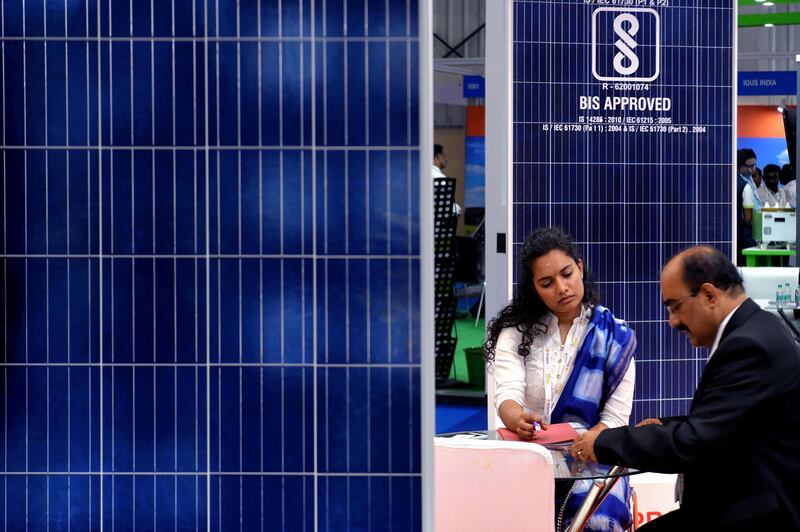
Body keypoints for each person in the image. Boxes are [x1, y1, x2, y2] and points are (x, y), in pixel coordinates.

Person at [570, 246, 800, 530]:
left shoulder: (748, 346)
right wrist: (664, 425)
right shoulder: (756, 330)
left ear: (709, 294)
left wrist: (605, 442)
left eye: (674, 306)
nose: (673, 321)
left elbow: (694, 444)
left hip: (753, 514)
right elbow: (727, 424)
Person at [485, 226, 637, 531]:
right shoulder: (515, 333)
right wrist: (517, 420)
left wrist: (587, 447)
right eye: (547, 282)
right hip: (527, 461)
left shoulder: (615, 336)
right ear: (534, 289)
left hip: (595, 461)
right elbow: (507, 396)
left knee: (597, 522)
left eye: (567, 273)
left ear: (580, 267)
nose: (562, 287)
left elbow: (616, 418)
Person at [736, 149, 758, 265]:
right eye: (747, 166)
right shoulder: (744, 185)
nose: (751, 169)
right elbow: (748, 218)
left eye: (753, 165)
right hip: (744, 236)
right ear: (739, 166)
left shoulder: (749, 180)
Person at [432, 143, 462, 216]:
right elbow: (447, 206)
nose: (446, 160)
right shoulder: (440, 178)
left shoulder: (421, 175)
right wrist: (458, 209)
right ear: (437, 157)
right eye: (444, 156)